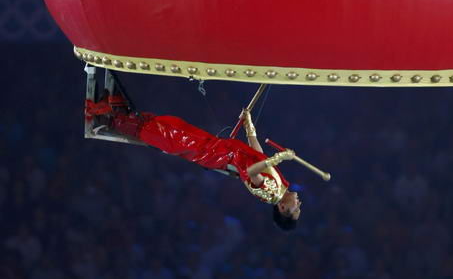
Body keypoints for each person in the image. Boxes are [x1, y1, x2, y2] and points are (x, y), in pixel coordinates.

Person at [85, 95, 302, 230]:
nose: (298, 204)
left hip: (219, 154)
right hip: (222, 149)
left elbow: (253, 170)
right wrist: (249, 125)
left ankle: (111, 119)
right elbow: (257, 155)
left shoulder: (272, 193)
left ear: (283, 208)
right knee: (175, 128)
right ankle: (120, 113)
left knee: (173, 136)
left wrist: (279, 157)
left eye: (295, 209)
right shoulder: (281, 186)